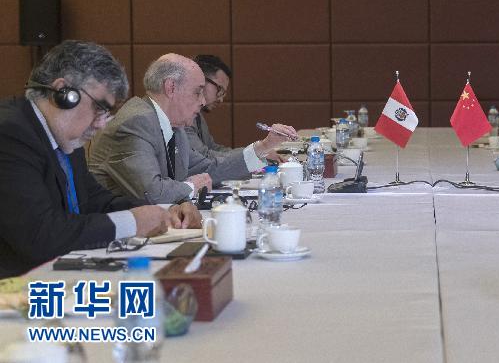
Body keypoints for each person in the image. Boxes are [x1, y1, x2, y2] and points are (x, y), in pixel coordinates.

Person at [0, 40, 201, 278]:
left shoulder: (65, 136)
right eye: (99, 107)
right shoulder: (10, 134)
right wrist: (131, 222)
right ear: (63, 93)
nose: (101, 124)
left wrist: (166, 211)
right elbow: (40, 235)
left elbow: (95, 201)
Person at [89, 53, 297, 204]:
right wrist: (191, 187)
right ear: (171, 87)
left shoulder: (174, 126)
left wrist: (263, 146)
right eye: (197, 92)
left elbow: (209, 168)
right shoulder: (136, 122)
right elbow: (152, 193)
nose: (203, 101)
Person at [186, 54, 233, 158]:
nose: (221, 99)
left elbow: (212, 148)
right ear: (200, 80)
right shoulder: (180, 116)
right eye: (220, 90)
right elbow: (203, 158)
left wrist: (256, 152)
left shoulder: (198, 114)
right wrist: (255, 153)